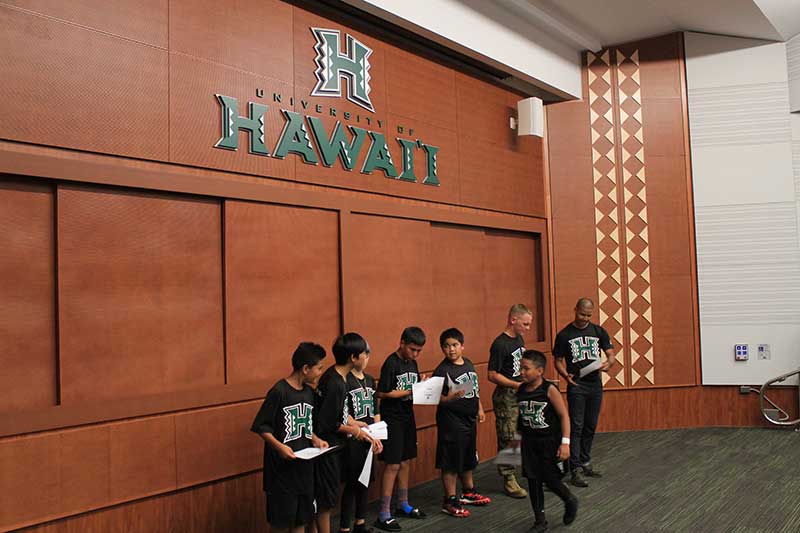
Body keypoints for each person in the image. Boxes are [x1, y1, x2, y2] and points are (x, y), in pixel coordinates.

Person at [250, 342, 330, 533]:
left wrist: (315, 439)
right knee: (280, 523)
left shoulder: (309, 393)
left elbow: (303, 425)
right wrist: (280, 447)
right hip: (281, 475)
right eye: (319, 368)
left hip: (304, 471)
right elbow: (261, 426)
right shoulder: (279, 391)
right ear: (305, 369)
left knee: (300, 521)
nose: (320, 372)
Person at [315, 334, 380, 533]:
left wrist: (354, 423)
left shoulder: (339, 377)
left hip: (337, 444)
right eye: (363, 353)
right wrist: (354, 430)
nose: (366, 356)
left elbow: (340, 415)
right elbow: (329, 423)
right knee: (326, 501)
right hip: (328, 447)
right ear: (353, 358)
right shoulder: (335, 382)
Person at [553, 297, 616, 488]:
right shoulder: (564, 334)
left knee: (590, 424)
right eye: (582, 314)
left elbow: (611, 353)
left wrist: (609, 363)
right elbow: (558, 360)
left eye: (589, 315)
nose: (585, 318)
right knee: (577, 425)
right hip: (577, 385)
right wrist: (566, 376)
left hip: (595, 383)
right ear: (575, 310)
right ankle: (575, 468)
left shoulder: (598, 331)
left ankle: (585, 461)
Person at [517, 350, 578, 532]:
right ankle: (540, 520)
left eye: (526, 369)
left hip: (548, 441)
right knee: (532, 480)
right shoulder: (520, 390)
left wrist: (565, 442)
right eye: (521, 368)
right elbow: (520, 419)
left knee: (550, 478)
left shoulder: (549, 389)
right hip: (529, 441)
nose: (522, 372)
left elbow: (563, 415)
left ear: (540, 371)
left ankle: (569, 499)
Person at [433, 328, 491, 518]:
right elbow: (431, 397)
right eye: (447, 346)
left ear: (462, 346)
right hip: (451, 422)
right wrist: (448, 399)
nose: (451, 350)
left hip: (469, 421)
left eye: (455, 345)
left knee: (468, 457)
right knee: (450, 461)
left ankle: (468, 491)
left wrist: (480, 408)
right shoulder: (442, 370)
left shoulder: (468, 363)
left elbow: (474, 389)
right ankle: (449, 499)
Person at [374, 326, 428, 531]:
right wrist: (409, 390)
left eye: (419, 351)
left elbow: (411, 391)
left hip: (407, 416)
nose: (415, 354)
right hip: (392, 418)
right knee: (393, 464)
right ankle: (383, 513)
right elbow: (382, 393)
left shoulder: (412, 363)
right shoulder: (391, 363)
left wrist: (422, 387)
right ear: (402, 343)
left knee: (405, 461)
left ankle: (402, 503)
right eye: (412, 349)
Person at [488, 303, 533, 498]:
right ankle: (508, 478)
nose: (527, 328)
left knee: (523, 432)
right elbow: (492, 374)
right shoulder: (500, 344)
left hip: (520, 391)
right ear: (513, 320)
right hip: (506, 396)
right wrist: (515, 385)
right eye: (525, 324)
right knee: (509, 436)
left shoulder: (520, 340)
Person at [340, 336, 383, 533]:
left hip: (369, 437)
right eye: (364, 354)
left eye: (367, 355)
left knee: (365, 482)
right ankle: (344, 527)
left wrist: (377, 434)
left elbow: (375, 410)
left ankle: (360, 523)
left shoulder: (369, 380)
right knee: (351, 484)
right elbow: (342, 412)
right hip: (352, 439)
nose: (366, 358)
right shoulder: (345, 380)